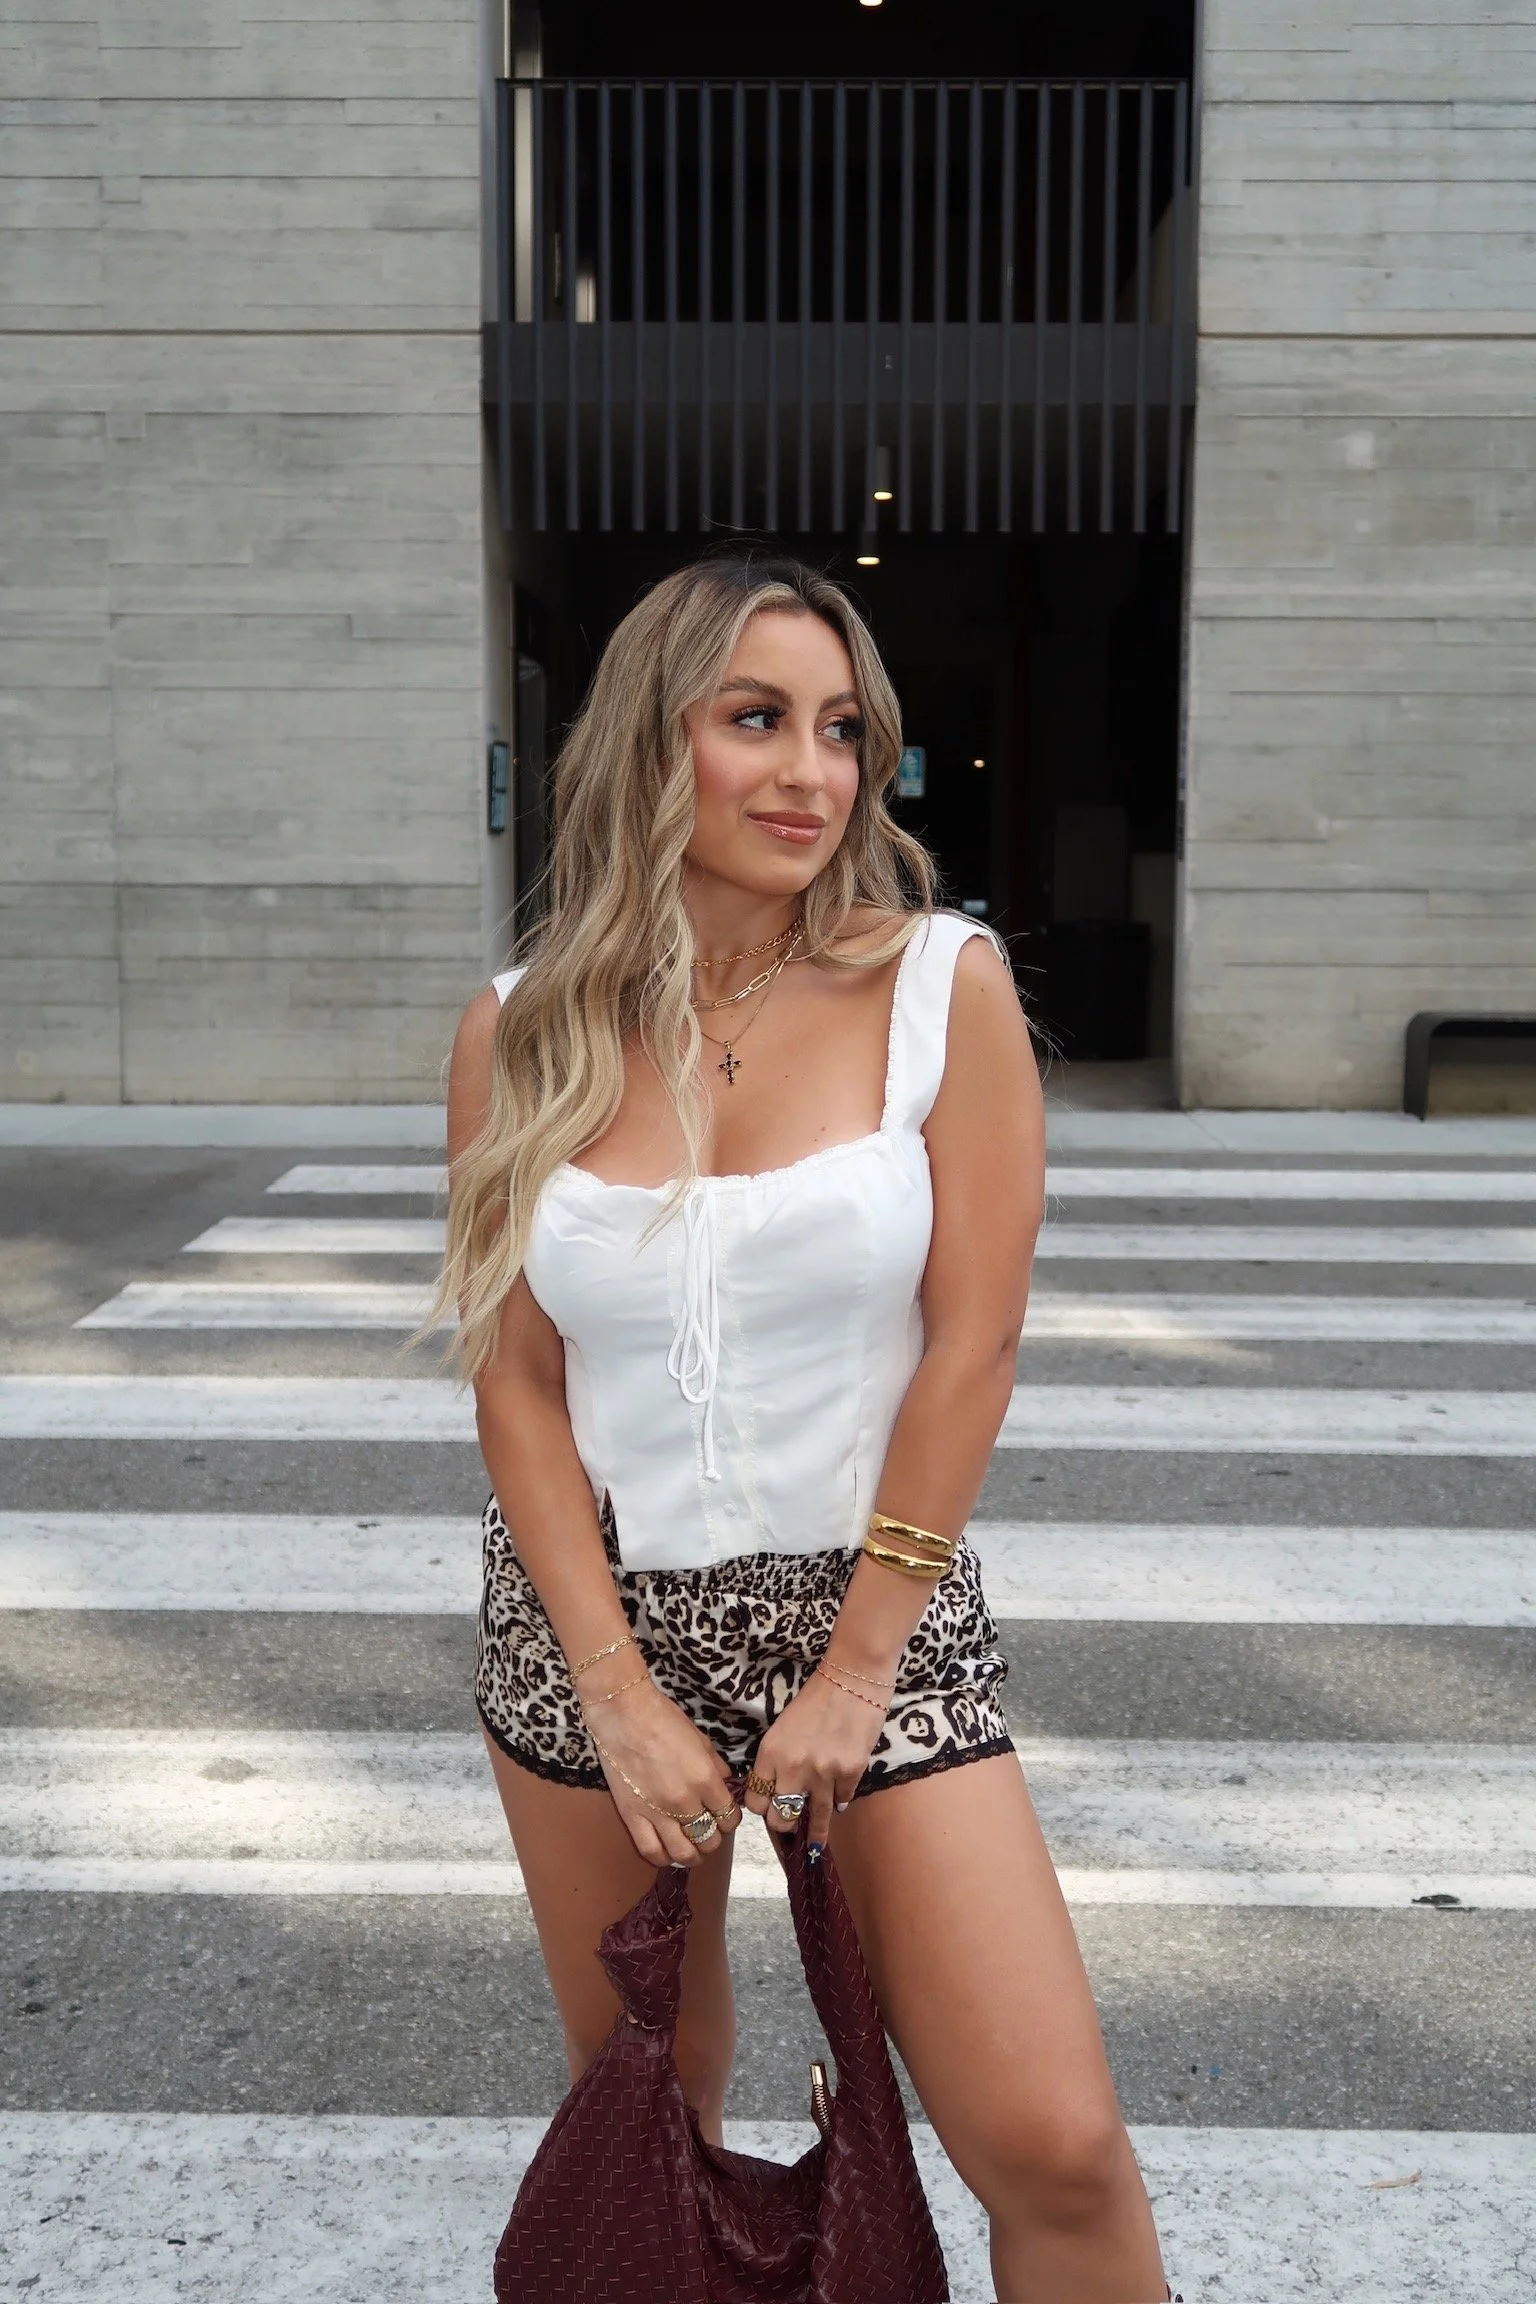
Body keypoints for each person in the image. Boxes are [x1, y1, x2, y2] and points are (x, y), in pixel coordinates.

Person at [434, 555, 1169, 2303]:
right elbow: (515, 1379)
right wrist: (615, 1693)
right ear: (651, 741)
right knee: (656, 2114)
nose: (813, 772)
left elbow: (974, 1344)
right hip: (590, 1632)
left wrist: (851, 1677)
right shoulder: (520, 1028)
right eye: (755, 719)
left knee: (1055, 2146)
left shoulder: (940, 985)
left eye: (843, 730)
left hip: (876, 1614)